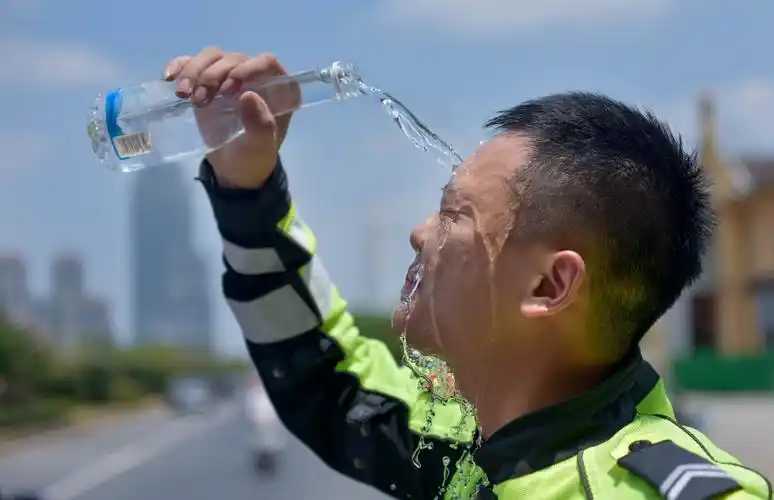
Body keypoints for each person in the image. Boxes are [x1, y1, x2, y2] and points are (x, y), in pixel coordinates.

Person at [165, 48, 772, 499]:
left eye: (454, 214)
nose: (419, 232)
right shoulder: (473, 439)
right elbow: (327, 376)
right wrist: (247, 186)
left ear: (549, 286)